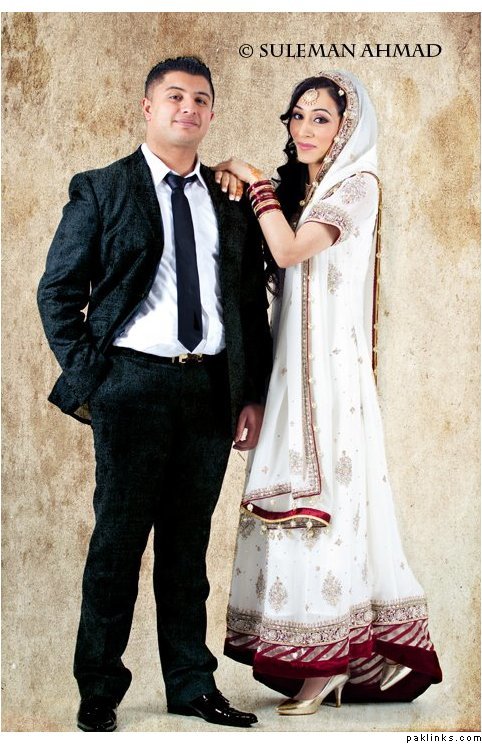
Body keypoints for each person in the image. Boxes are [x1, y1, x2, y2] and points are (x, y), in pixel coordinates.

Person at [37, 56, 272, 731]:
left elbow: (247, 305)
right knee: (117, 545)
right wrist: (96, 378)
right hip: (131, 386)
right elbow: (58, 293)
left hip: (209, 389)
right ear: (148, 108)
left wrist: (249, 393)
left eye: (201, 99)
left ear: (212, 113)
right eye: (175, 97)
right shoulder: (102, 188)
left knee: (187, 550)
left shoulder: (229, 198)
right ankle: (99, 689)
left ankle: (192, 685)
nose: (188, 108)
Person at [214, 70, 442, 714]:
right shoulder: (304, 191)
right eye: (298, 115)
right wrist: (237, 173)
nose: (306, 128)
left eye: (322, 118)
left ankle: (329, 660)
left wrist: (252, 180)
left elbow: (288, 251)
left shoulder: (357, 186)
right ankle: (315, 652)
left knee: (327, 505)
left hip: (331, 378)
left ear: (347, 128)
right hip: (291, 371)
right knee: (292, 505)